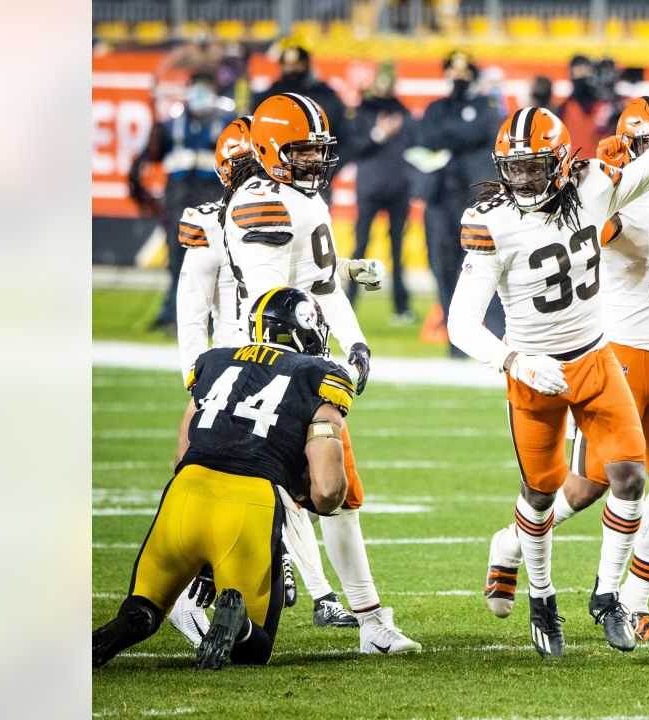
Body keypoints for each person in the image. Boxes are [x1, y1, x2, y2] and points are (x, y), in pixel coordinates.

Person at [446, 53, 649, 659]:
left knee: (631, 476)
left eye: (536, 170)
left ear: (561, 163)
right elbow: (459, 322)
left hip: (595, 357)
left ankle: (610, 597)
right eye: (516, 170)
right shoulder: (491, 221)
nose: (525, 182)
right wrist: (510, 360)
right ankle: (542, 595)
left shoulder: (594, 190)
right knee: (543, 493)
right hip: (533, 367)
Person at [170, 117, 385, 646]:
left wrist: (347, 282)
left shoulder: (298, 202)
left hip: (291, 363)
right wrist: (196, 376)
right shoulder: (225, 215)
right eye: (242, 167)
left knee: (323, 492)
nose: (251, 178)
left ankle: (350, 609)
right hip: (239, 370)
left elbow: (307, 276)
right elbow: (193, 309)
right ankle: (190, 597)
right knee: (224, 488)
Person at [226, 92, 418, 654]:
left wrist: (355, 341)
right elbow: (273, 304)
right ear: (268, 150)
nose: (315, 162)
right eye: (302, 152)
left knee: (334, 494)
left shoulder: (301, 198)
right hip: (268, 368)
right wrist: (315, 361)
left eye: (318, 151)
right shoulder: (259, 202)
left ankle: (368, 620)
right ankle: (192, 599)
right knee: (265, 497)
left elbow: (324, 284)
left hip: (302, 362)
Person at [93, 286, 354, 670]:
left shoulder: (213, 362)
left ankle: (135, 620)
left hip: (185, 493)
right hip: (249, 504)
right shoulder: (318, 376)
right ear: (304, 329)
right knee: (256, 648)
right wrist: (312, 499)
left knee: (146, 602)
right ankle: (240, 623)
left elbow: (182, 453)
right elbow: (329, 489)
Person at [130, 71, 235, 333]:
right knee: (176, 258)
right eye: (195, 88)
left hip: (212, 196)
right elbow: (153, 155)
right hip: (178, 196)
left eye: (205, 87)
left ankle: (211, 317)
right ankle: (172, 313)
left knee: (212, 260)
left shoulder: (229, 122)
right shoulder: (171, 122)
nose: (199, 94)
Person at [415, 51, 505, 353]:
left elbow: (480, 131)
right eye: (453, 71)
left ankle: (497, 336)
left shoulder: (485, 105)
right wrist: (462, 134)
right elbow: (424, 136)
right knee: (442, 267)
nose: (458, 77)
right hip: (440, 198)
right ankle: (456, 342)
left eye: (464, 72)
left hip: (475, 200)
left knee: (487, 264)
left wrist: (448, 135)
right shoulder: (436, 107)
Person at [346, 61, 419, 323]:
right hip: (370, 188)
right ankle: (347, 305)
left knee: (398, 251)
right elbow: (354, 146)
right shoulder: (364, 111)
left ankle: (401, 308)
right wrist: (378, 134)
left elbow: (414, 146)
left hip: (398, 187)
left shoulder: (402, 111)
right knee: (360, 247)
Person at [253, 45, 349, 200]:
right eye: (288, 65)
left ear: (307, 65)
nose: (293, 69)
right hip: (273, 179)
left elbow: (346, 139)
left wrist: (324, 168)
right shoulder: (267, 97)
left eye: (298, 65)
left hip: (312, 177)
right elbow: (254, 139)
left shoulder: (328, 97)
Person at [557, 55, 617, 160]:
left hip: (600, 167)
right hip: (574, 168)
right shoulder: (565, 108)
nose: (582, 74)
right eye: (578, 70)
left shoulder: (605, 106)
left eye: (586, 70)